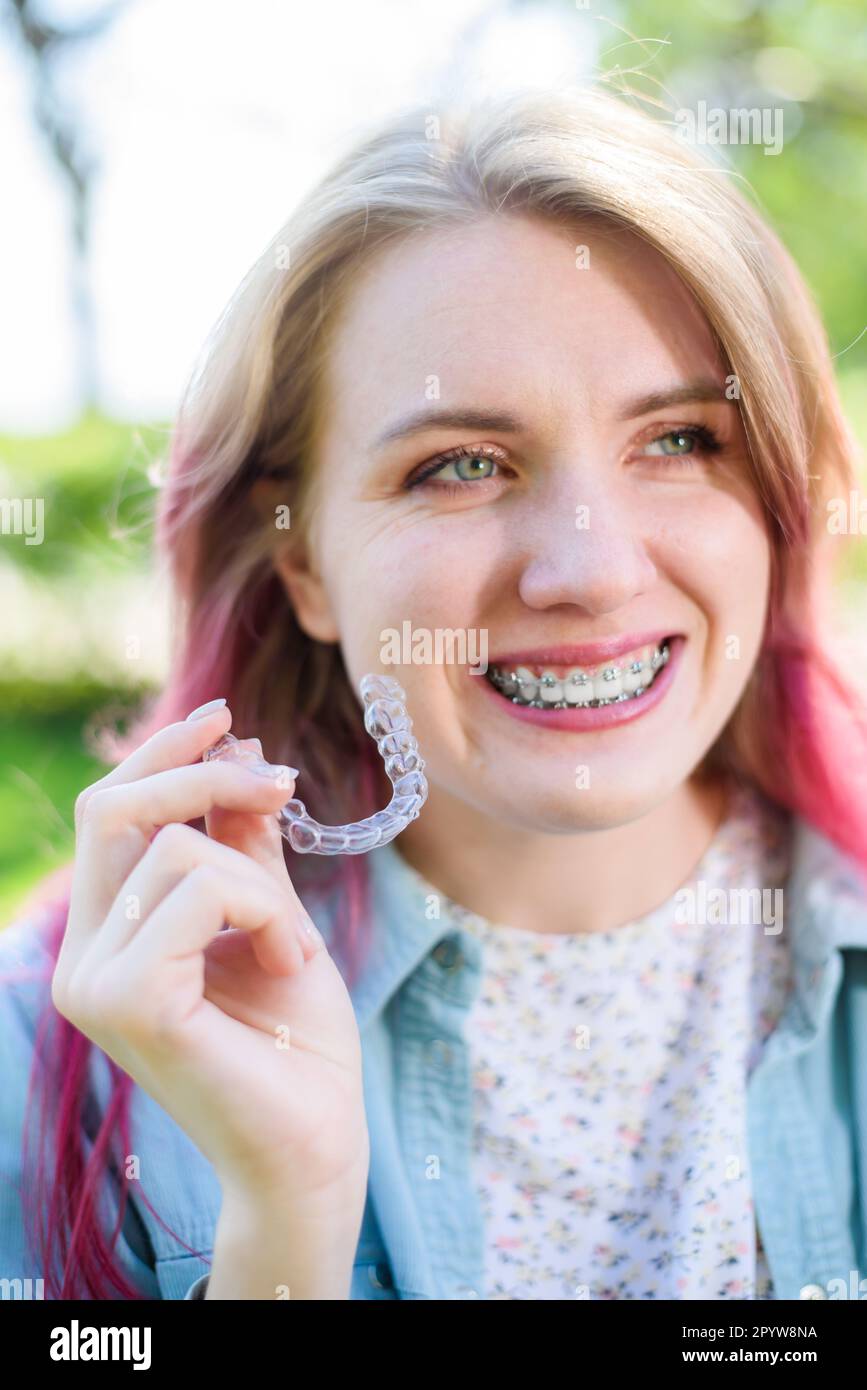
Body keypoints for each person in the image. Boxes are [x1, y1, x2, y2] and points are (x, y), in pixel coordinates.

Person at [1, 84, 866, 1302]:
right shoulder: (46, 1053)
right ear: (302, 561)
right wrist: (284, 1227)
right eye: (460, 465)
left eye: (678, 439)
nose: (592, 570)